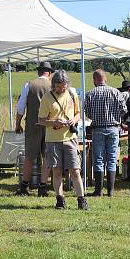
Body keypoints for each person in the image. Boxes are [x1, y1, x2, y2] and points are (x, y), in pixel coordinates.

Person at [37, 69, 88, 210]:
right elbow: (40, 120)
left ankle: (81, 199)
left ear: (67, 84)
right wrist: (53, 122)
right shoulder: (47, 98)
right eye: (58, 86)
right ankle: (60, 199)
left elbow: (78, 113)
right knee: (57, 170)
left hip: (70, 138)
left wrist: (73, 120)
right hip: (53, 140)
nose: (61, 89)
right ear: (53, 85)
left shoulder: (72, 94)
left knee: (75, 170)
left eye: (63, 86)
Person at [84, 69, 126, 196]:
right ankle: (111, 190)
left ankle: (98, 190)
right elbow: (123, 110)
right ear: (106, 79)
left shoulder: (90, 93)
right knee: (112, 158)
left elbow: (88, 113)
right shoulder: (116, 92)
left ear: (94, 80)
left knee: (99, 159)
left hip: (98, 129)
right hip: (113, 128)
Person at [14, 61, 53, 196]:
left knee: (29, 157)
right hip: (49, 126)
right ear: (50, 73)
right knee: (47, 157)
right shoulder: (54, 86)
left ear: (38, 72)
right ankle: (43, 187)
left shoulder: (29, 85)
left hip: (32, 125)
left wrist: (17, 124)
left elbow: (20, 108)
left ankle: (24, 186)